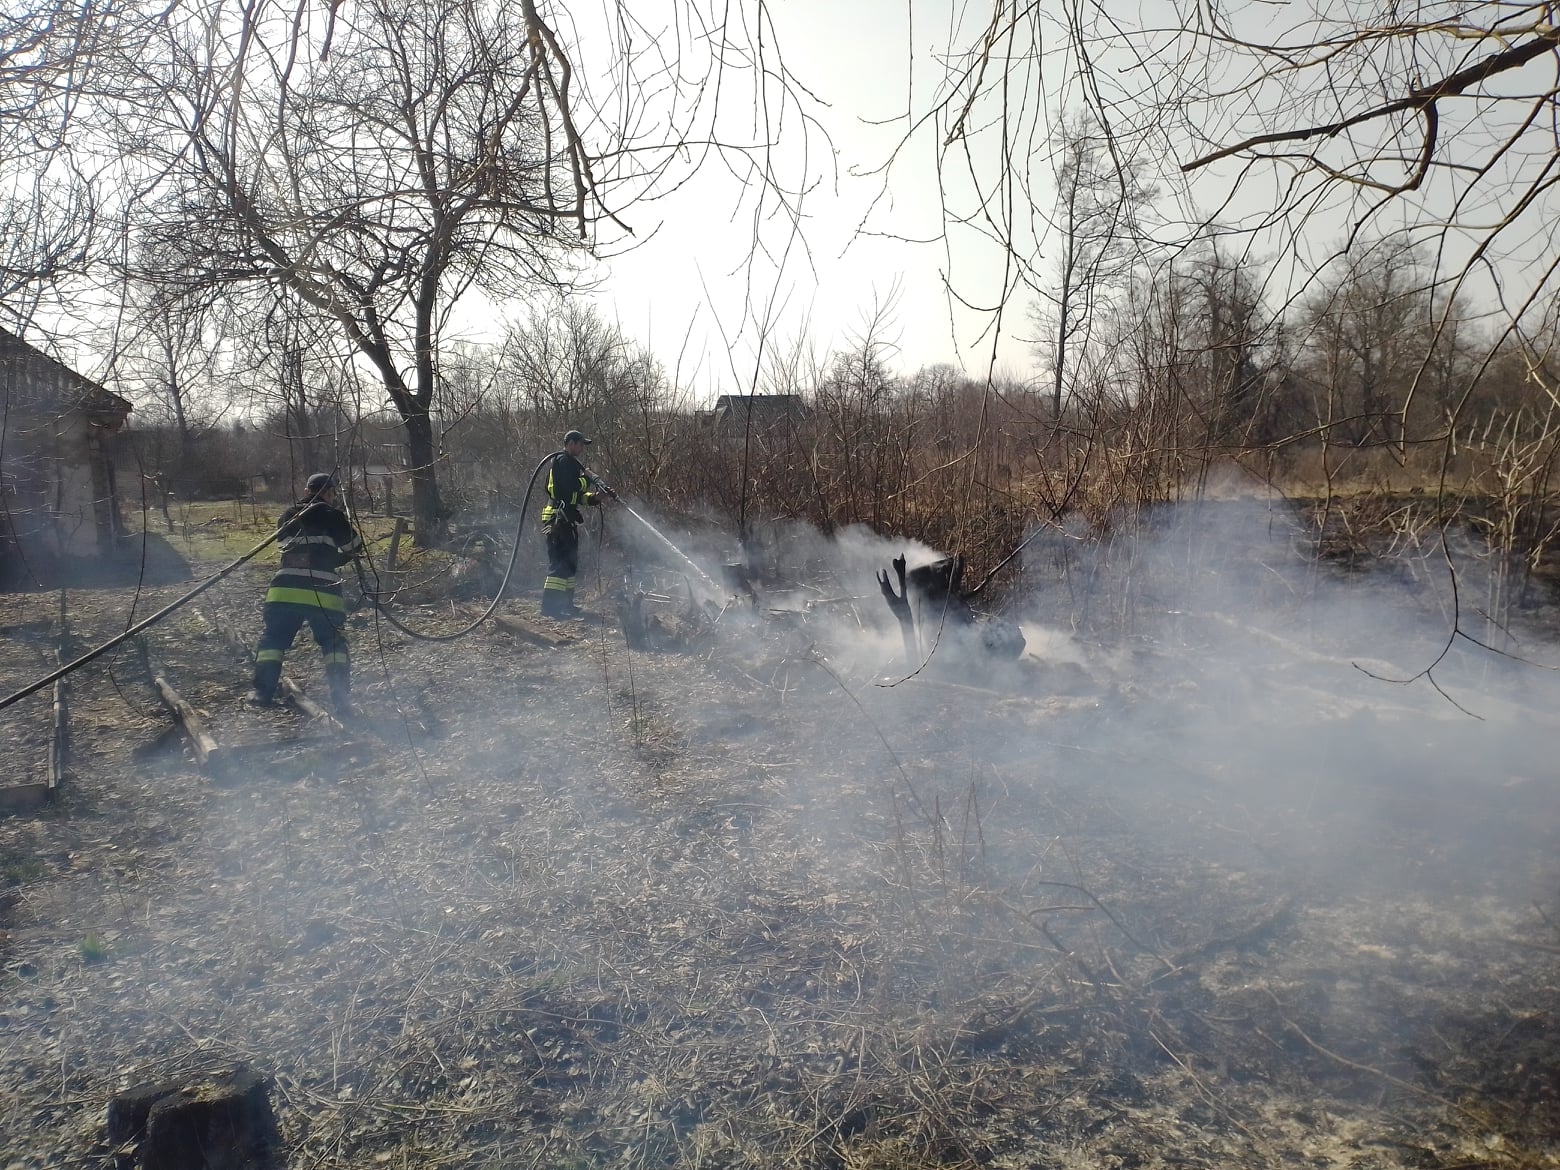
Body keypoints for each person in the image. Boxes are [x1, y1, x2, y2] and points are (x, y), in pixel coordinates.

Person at [251, 472, 364, 713]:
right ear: (330, 493)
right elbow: (355, 546)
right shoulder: (333, 515)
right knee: (333, 644)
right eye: (332, 494)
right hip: (323, 591)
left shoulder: (287, 516)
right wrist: (335, 558)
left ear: (306, 492)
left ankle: (261, 693)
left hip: (285, 591)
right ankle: (341, 700)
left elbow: (285, 547)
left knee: (273, 640)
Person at [539, 429, 616, 618]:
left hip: (567, 519)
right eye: (581, 444)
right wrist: (589, 478)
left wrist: (597, 497)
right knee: (559, 564)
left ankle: (565, 604)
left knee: (570, 563)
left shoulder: (572, 464)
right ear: (571, 443)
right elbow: (571, 487)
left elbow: (576, 496)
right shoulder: (563, 461)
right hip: (557, 519)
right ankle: (550, 608)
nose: (582, 448)